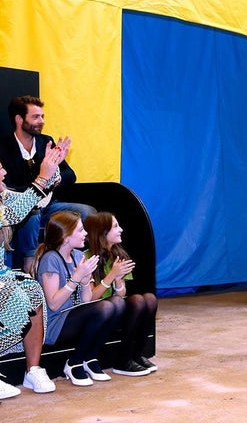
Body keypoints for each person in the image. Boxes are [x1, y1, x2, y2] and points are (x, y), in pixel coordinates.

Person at [0, 141, 67, 398]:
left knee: (31, 289)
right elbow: (13, 213)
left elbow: (33, 200)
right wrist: (41, 176)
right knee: (15, 303)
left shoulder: (3, 194)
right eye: (0, 169)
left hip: (2, 275)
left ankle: (33, 370)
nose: (4, 173)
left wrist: (53, 167)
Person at [0, 95, 96, 274]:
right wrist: (42, 181)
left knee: (87, 212)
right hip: (20, 210)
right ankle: (30, 262)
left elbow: (70, 175)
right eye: (35, 117)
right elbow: (7, 188)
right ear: (19, 119)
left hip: (50, 207)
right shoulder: (4, 147)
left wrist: (55, 178)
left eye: (42, 116)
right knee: (32, 212)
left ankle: (76, 262)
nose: (41, 121)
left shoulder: (46, 142)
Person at [34, 211, 124, 386]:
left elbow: (86, 301)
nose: (85, 234)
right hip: (56, 323)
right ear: (66, 237)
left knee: (117, 303)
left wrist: (84, 282)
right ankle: (74, 362)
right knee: (105, 307)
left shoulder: (78, 256)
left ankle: (89, 358)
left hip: (74, 315)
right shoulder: (50, 259)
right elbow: (53, 304)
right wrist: (76, 279)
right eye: (81, 230)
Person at [84, 212, 156, 375]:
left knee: (148, 299)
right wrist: (112, 275)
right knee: (136, 301)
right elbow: (91, 297)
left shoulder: (119, 255)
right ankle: (122, 361)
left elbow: (121, 293)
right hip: (97, 311)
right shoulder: (86, 257)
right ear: (102, 233)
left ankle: (136, 355)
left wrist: (118, 280)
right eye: (115, 227)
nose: (121, 230)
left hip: (116, 306)